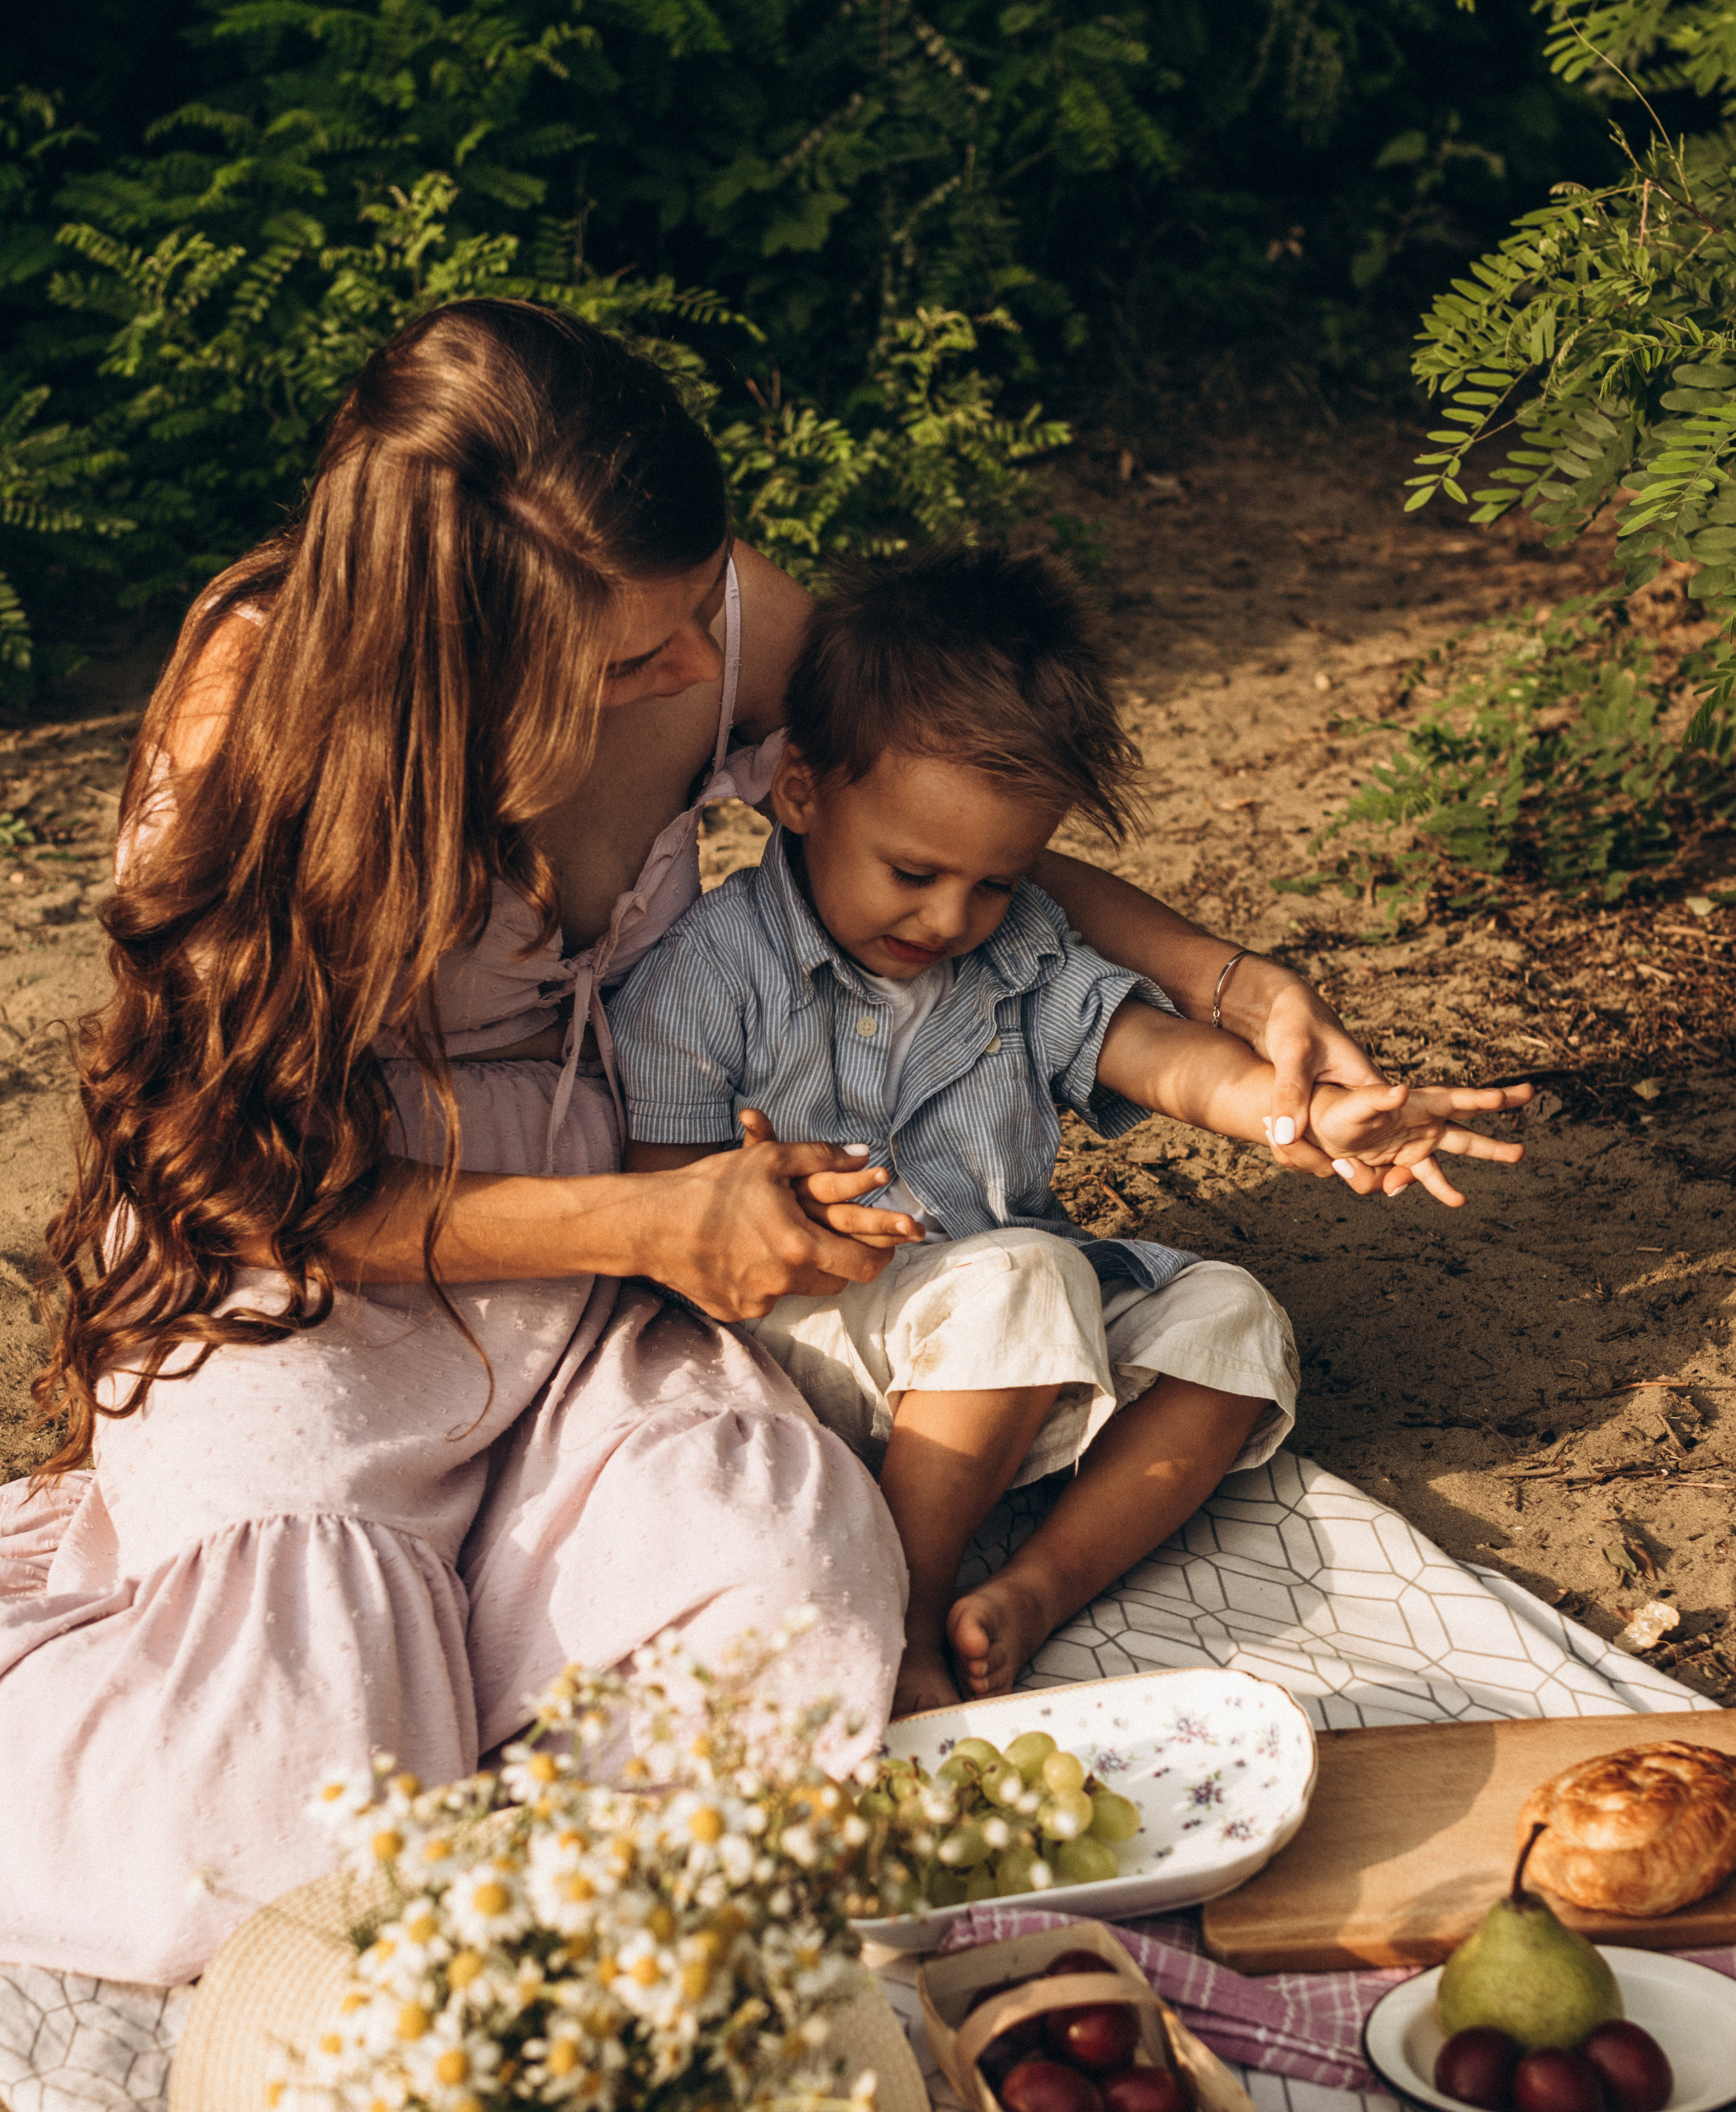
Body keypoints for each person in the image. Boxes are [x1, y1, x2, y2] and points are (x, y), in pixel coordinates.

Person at [0, 298, 1385, 1986]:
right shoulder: (257, 725)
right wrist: (643, 1227)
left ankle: (466, 1658)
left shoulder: (689, 613)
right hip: (328, 1271)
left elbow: (925, 796)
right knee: (257, 1833)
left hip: (627, 1238)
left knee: (800, 1603)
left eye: (694, 620)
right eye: (621, 668)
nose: (690, 679)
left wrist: (1228, 982)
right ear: (445, 652)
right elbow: (256, 1187)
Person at [610, 549, 1533, 1715]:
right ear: (800, 793)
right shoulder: (707, 971)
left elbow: (1153, 1054)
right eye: (914, 871)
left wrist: (1301, 1110)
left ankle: (1035, 1589)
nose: (950, 917)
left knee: (1234, 1320)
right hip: (811, 1335)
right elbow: (665, 1205)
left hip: (1005, 1322)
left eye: (996, 882)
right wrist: (768, 1209)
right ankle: (903, 1612)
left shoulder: (1017, 949)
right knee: (1029, 1279)